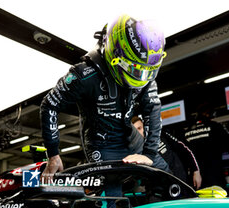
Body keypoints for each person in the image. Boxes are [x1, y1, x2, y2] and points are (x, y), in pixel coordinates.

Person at [40, 14, 168, 181]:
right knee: (111, 196)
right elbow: (49, 104)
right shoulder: (83, 75)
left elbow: (152, 109)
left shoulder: (145, 73)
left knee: (167, 178)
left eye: (148, 71)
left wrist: (149, 154)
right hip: (102, 145)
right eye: (137, 69)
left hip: (130, 136)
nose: (143, 76)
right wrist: (53, 155)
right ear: (116, 54)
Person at [131, 115, 202, 189]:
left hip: (180, 181)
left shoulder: (160, 135)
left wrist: (196, 171)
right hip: (158, 189)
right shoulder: (134, 150)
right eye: (135, 130)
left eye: (140, 128)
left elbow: (184, 150)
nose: (139, 132)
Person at [181, 102, 229, 190]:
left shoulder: (186, 132)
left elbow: (183, 155)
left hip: (196, 178)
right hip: (215, 175)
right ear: (208, 114)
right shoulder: (215, 126)